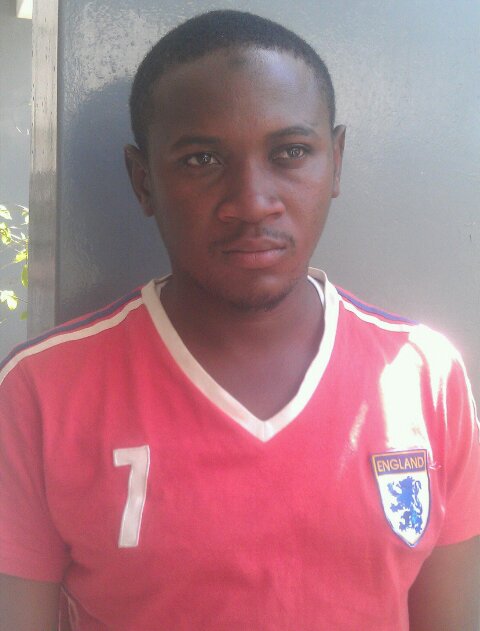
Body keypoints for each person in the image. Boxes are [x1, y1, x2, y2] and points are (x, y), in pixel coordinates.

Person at [0, 10, 479, 631]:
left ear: (335, 162)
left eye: (291, 152)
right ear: (143, 181)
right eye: (202, 159)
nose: (252, 203)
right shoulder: (42, 391)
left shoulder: (425, 377)